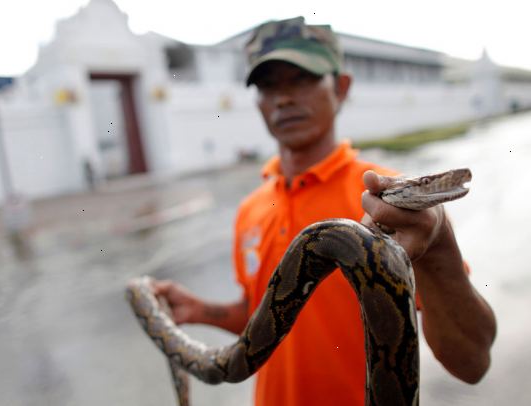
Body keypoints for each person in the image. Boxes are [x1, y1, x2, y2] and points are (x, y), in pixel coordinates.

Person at [153, 16, 497, 405]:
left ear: (341, 87)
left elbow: (473, 362)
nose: (283, 97)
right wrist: (200, 310)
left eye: (301, 78)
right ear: (258, 101)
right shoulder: (250, 209)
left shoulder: (389, 202)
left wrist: (439, 247)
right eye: (268, 85)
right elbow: (269, 313)